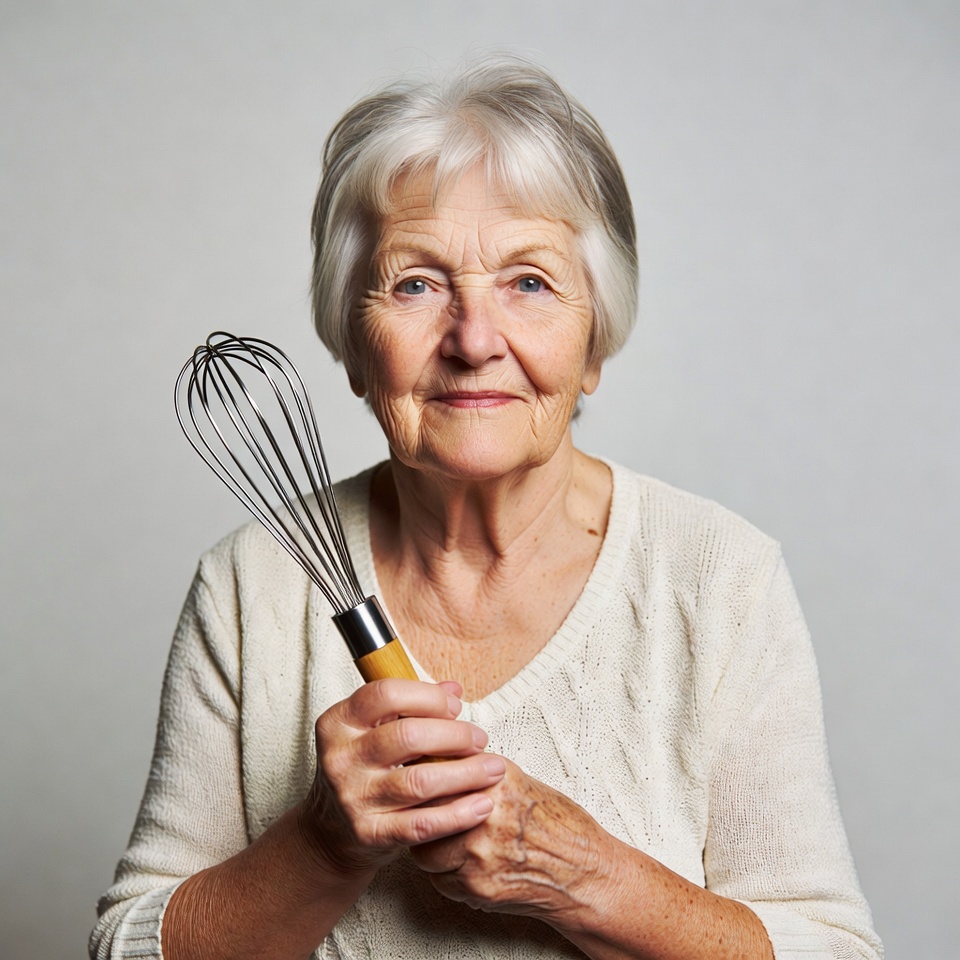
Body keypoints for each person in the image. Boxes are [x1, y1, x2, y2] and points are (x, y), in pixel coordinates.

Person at [91, 57, 883, 960]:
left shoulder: (720, 579)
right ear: (353, 345)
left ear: (594, 345)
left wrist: (587, 875)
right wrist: (322, 844)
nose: (474, 341)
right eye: (418, 284)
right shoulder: (252, 585)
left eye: (530, 283)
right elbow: (126, 949)